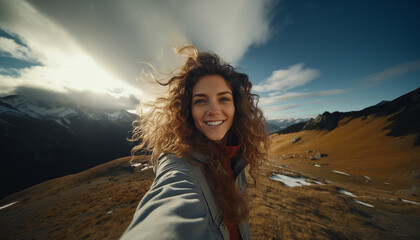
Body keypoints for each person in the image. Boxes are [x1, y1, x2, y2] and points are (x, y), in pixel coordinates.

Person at [121, 46, 270, 240]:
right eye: (201, 101)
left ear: (236, 106)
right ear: (187, 110)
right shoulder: (177, 159)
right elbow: (170, 199)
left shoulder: (237, 154)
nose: (214, 110)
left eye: (223, 98)